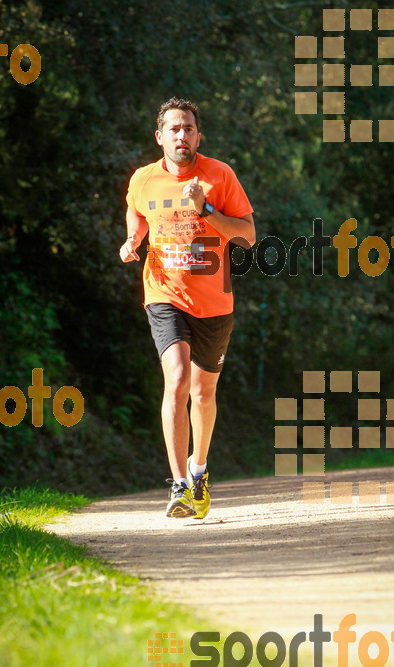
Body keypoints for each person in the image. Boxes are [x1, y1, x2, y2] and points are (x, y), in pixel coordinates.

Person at [120, 97, 255, 518]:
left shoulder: (220, 175)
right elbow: (136, 213)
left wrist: (206, 209)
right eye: (175, 129)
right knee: (177, 381)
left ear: (199, 136)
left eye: (190, 129)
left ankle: (199, 470)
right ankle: (179, 486)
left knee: (203, 392)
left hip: (214, 303)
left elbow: (247, 236)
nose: (183, 136)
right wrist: (133, 240)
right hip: (164, 295)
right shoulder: (143, 179)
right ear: (160, 137)